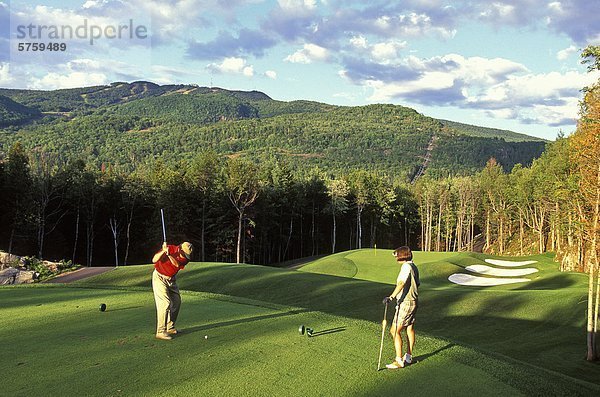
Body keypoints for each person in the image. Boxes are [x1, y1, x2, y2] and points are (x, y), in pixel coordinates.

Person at [383, 246, 420, 369]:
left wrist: (391, 297)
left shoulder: (406, 267)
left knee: (394, 331)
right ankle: (408, 357)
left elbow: (401, 283)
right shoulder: (414, 266)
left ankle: (399, 360)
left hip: (405, 303)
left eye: (397, 256)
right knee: (409, 328)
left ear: (402, 256)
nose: (396, 258)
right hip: (413, 301)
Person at [152, 241, 193, 340]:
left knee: (177, 301)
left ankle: (170, 327)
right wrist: (163, 251)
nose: (185, 257)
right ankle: (160, 331)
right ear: (180, 249)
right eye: (184, 254)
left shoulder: (185, 259)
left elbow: (176, 265)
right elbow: (154, 260)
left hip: (171, 280)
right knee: (164, 303)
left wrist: (169, 255)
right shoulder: (170, 248)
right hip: (159, 277)